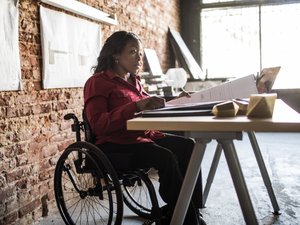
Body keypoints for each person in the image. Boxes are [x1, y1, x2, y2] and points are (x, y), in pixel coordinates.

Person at [83, 31, 206, 225]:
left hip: (144, 137)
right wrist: (135, 106)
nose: (139, 57)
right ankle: (186, 218)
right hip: (117, 145)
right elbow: (99, 125)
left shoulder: (134, 81)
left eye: (140, 52)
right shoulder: (97, 83)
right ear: (115, 55)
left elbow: (152, 104)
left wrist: (178, 100)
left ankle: (190, 210)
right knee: (165, 157)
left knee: (190, 147)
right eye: (133, 52)